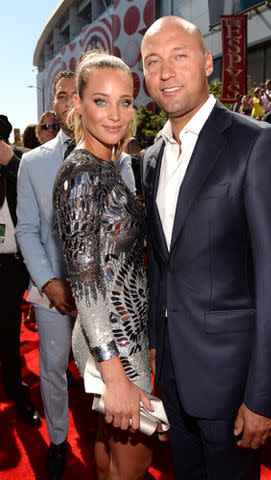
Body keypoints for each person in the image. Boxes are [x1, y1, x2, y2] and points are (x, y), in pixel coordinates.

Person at [141, 16, 271, 480]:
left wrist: (265, 394)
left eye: (179, 55)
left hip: (233, 383)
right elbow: (162, 266)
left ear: (207, 62)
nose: (166, 71)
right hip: (172, 373)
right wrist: (155, 345)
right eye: (154, 61)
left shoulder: (257, 143)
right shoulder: (151, 157)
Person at [53, 50, 153, 480]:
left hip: (115, 329)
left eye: (125, 101)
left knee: (109, 449)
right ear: (77, 103)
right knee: (135, 461)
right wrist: (114, 373)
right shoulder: (80, 173)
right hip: (112, 337)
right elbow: (87, 283)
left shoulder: (105, 164)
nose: (116, 115)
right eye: (100, 100)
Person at [16, 70, 77, 480]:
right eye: (61, 95)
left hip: (105, 296)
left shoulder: (119, 157)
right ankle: (58, 441)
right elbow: (26, 228)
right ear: (53, 104)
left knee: (108, 373)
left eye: (78, 93)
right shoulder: (33, 163)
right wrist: (48, 281)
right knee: (53, 367)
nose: (69, 101)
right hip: (51, 289)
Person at [0, 115, 41, 426]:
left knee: (10, 334)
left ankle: (15, 389)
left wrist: (10, 162)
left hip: (11, 266)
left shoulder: (21, 162)